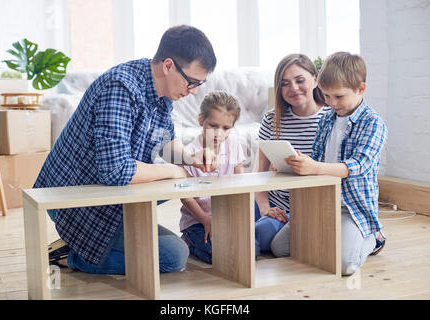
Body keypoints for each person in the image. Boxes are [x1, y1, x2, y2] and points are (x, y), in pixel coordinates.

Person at [36, 25, 218, 274]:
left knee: (178, 185)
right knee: (173, 258)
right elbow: (117, 171)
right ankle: (71, 256)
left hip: (112, 194)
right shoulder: (120, 87)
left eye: (200, 84)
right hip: (76, 200)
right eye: (192, 82)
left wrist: (190, 158)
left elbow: (165, 141)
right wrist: (173, 171)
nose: (194, 91)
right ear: (168, 66)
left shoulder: (162, 92)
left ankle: (99, 242)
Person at [283, 52, 388, 276]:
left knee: (345, 266)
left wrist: (316, 167)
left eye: (338, 97)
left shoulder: (373, 123)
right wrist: (300, 163)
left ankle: (373, 237)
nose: (331, 103)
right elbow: (318, 158)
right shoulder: (326, 119)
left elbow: (359, 165)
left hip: (352, 209)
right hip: (322, 202)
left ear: (361, 89)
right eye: (327, 96)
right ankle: (333, 234)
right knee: (279, 248)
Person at [253, 54, 331, 257]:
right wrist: (264, 207)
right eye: (285, 83)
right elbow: (259, 171)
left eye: (300, 80)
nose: (293, 88)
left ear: (315, 80)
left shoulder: (330, 118)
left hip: (310, 206)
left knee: (261, 238)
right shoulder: (272, 119)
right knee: (246, 231)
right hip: (276, 204)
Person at [179, 91, 245, 264]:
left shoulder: (234, 144)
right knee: (219, 255)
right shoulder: (188, 154)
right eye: (213, 126)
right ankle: (188, 240)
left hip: (226, 215)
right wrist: (206, 220)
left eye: (226, 128)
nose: (219, 134)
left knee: (251, 250)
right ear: (201, 120)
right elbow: (186, 198)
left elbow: (241, 182)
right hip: (197, 221)